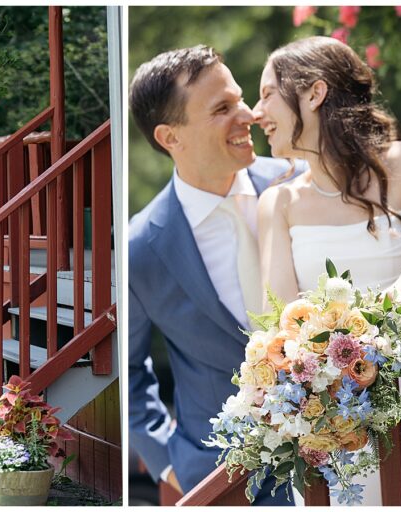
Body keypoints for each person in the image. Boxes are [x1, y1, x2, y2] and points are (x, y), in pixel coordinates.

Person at [252, 36, 401, 506]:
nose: (254, 110)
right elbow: (279, 326)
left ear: (313, 93)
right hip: (335, 423)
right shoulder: (278, 204)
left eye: (266, 93)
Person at [127, 46, 298, 504]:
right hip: (218, 481)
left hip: (341, 463)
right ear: (170, 137)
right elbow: (126, 371)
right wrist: (168, 462)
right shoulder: (139, 247)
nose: (247, 114)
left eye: (239, 98)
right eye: (222, 108)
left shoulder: (298, 185)